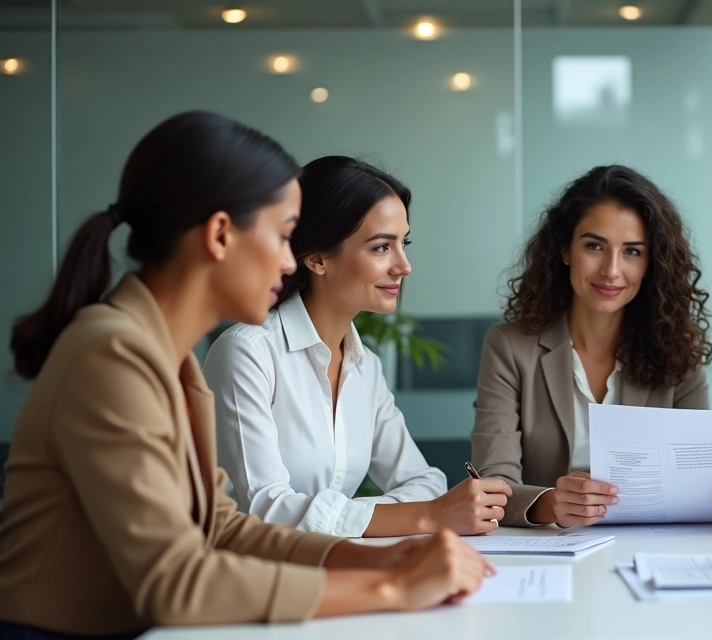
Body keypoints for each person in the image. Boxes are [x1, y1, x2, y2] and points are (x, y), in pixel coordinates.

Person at [0, 112, 491, 639]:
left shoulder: (168, 356)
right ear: (219, 236)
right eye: (282, 237)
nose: (288, 263)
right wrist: (391, 588)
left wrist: (382, 560)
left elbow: (223, 526)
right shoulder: (112, 354)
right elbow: (175, 581)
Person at [204, 156, 510, 538]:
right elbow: (267, 509)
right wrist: (426, 516)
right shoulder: (247, 353)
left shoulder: (366, 367)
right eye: (382, 247)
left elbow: (425, 482)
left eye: (404, 243)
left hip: (334, 564)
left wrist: (392, 513)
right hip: (248, 578)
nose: (404, 265)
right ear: (317, 259)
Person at [471, 165, 712, 528]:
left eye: (632, 251)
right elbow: (493, 483)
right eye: (595, 246)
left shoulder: (679, 353)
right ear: (566, 249)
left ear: (652, 263)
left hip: (652, 543)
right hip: (546, 547)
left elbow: (698, 479)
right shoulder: (509, 347)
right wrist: (550, 503)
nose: (612, 270)